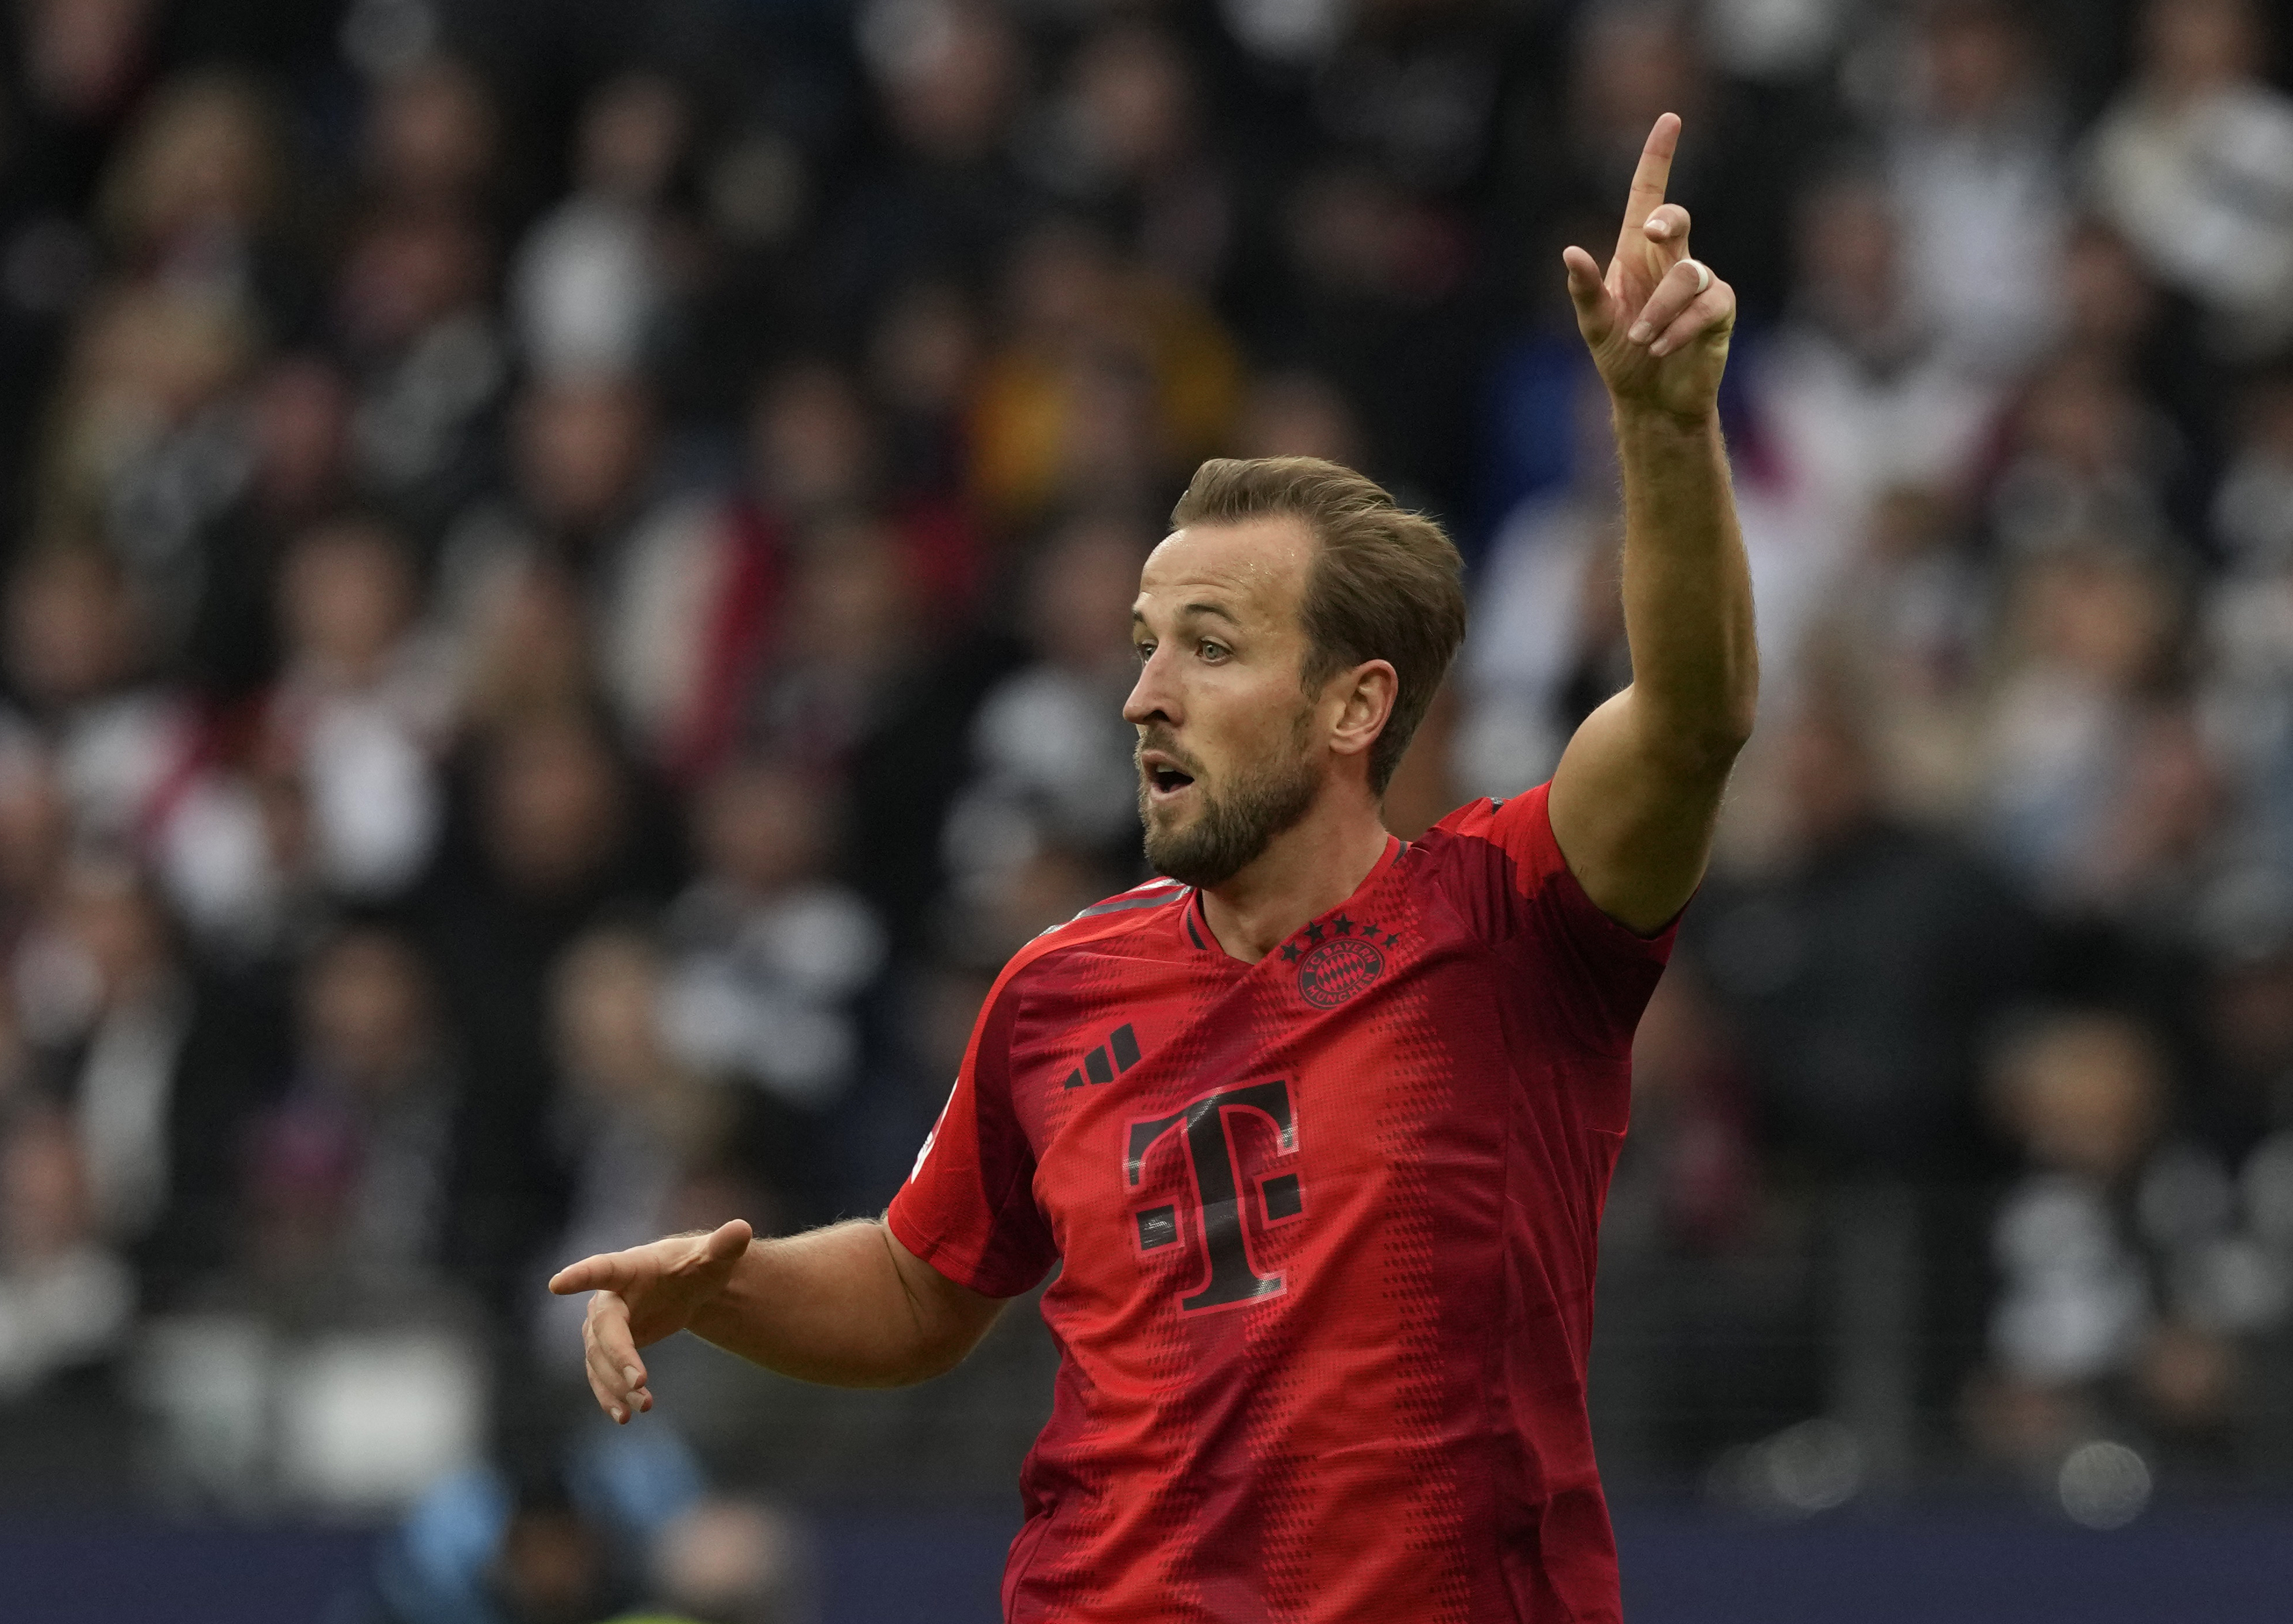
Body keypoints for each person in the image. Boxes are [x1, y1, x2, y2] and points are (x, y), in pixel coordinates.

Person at [551, 115, 1757, 1622]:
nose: (1144, 696)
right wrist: (722, 1287)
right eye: (1144, 647)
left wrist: (1658, 428)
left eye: (1210, 647)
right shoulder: (1058, 989)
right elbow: (925, 1287)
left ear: (1354, 705)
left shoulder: (1509, 923)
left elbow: (1695, 719)